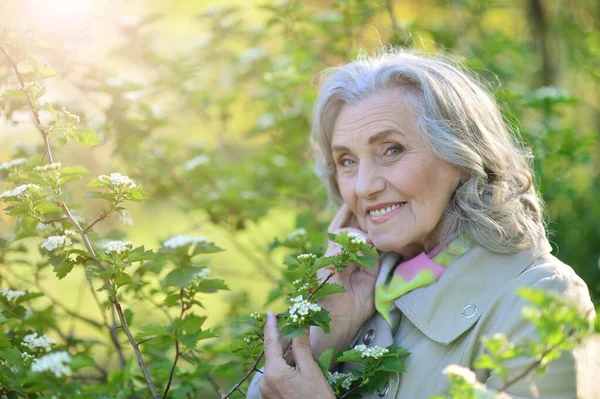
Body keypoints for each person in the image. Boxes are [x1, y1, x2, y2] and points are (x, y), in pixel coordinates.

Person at [247, 50, 596, 399]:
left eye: (391, 150)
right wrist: (327, 330)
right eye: (347, 160)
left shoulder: (544, 297)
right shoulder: (352, 291)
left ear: (461, 156)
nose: (364, 186)